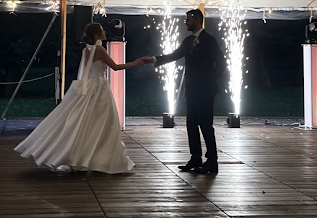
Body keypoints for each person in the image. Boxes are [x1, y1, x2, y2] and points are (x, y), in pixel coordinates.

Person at [15, 23, 144, 174]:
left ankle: (86, 156)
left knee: (88, 121)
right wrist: (136, 63)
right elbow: (115, 67)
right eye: (101, 30)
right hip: (100, 88)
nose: (104, 32)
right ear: (96, 34)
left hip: (90, 85)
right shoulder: (99, 49)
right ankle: (102, 159)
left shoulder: (86, 50)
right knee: (104, 122)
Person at [142, 9, 226, 174]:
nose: (186, 22)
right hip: (191, 89)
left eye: (188, 20)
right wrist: (154, 59)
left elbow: (221, 62)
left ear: (197, 20)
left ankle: (212, 160)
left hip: (206, 90)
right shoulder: (188, 41)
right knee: (191, 124)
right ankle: (195, 158)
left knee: (205, 124)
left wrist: (211, 78)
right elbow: (174, 55)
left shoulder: (209, 40)